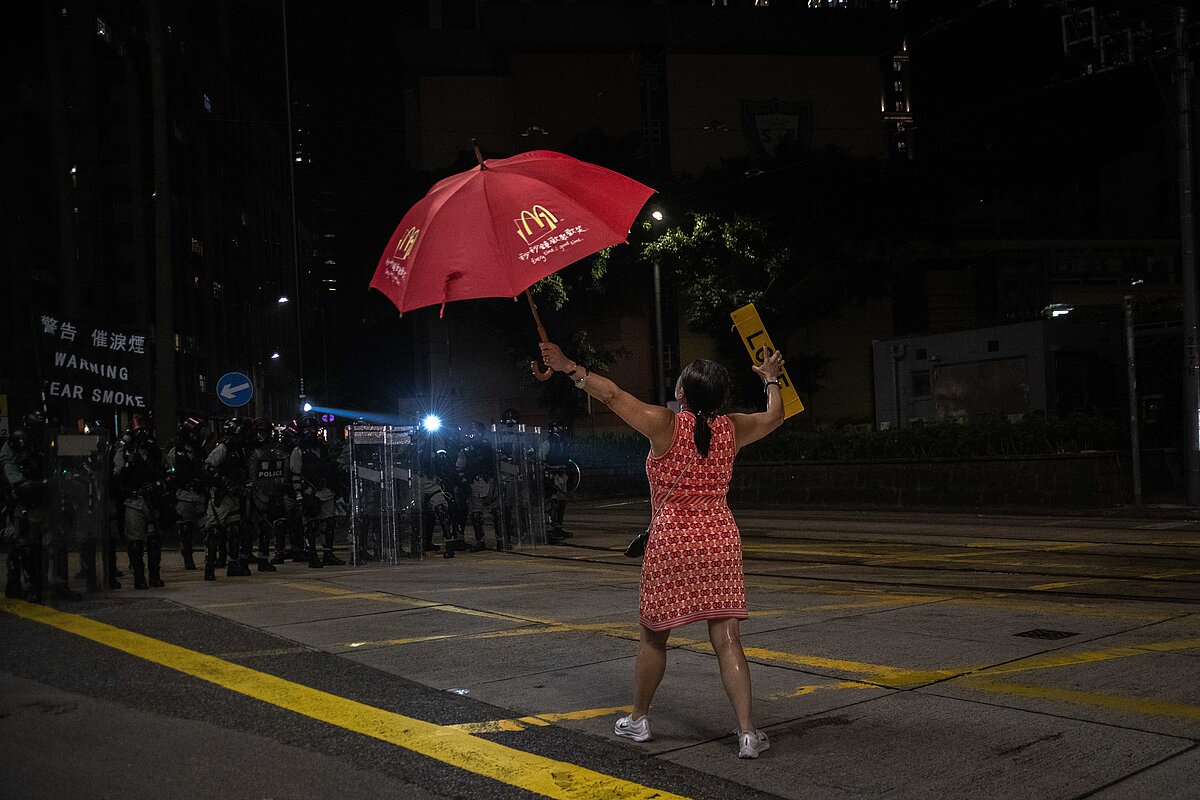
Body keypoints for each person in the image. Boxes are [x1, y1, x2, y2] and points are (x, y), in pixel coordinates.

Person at [538, 340, 786, 760]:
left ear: (683, 394)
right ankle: (747, 733)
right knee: (727, 639)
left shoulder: (665, 424)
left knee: (654, 638)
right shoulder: (734, 428)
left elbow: (612, 394)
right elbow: (776, 416)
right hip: (719, 540)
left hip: (671, 541)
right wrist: (771, 379)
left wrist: (568, 367)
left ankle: (638, 720)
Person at [112, 416, 168, 590]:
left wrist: (159, 485)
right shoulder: (125, 451)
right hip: (133, 501)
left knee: (153, 540)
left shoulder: (155, 451)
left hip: (152, 500)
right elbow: (116, 475)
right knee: (135, 542)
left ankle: (154, 576)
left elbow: (165, 472)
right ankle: (139, 578)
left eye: (145, 431)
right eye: (139, 431)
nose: (143, 434)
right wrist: (130, 464)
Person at [289, 414, 344, 567]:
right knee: (311, 525)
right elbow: (295, 475)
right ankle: (312, 555)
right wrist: (299, 495)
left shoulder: (323, 448)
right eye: (307, 429)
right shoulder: (299, 451)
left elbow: (328, 467)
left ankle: (328, 553)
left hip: (326, 490)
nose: (310, 432)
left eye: (312, 428)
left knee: (329, 523)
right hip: (309, 492)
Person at [166, 417, 207, 570]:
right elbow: (170, 472)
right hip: (183, 495)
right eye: (195, 434)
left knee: (209, 529)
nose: (198, 437)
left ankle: (211, 558)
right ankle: (187, 558)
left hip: (200, 495)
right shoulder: (175, 453)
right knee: (185, 529)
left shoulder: (202, 452)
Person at [456, 421, 500, 552]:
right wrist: (464, 482)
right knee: (476, 514)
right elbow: (459, 467)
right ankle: (480, 541)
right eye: (471, 431)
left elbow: (496, 464)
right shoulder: (465, 449)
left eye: (475, 431)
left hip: (490, 482)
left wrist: (496, 480)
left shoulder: (489, 446)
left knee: (498, 512)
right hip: (475, 483)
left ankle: (501, 540)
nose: (473, 434)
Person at [541, 419, 573, 542]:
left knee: (560, 503)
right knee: (552, 503)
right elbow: (541, 459)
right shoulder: (548, 442)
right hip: (553, 475)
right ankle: (550, 529)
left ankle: (558, 527)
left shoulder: (562, 442)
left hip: (562, 474)